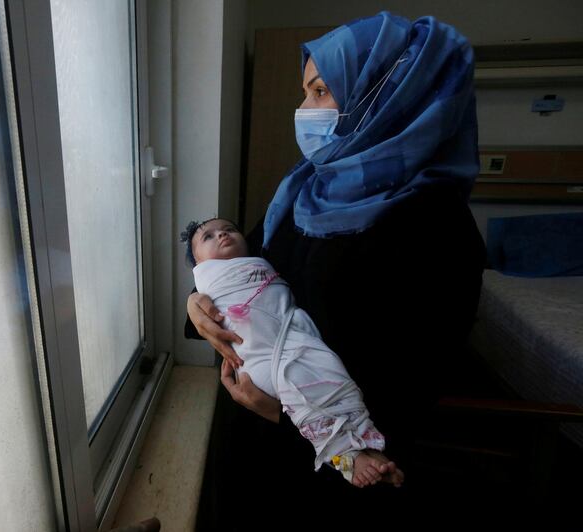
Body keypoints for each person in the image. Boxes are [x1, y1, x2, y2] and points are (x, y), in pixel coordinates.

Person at [187, 11, 486, 526]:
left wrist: (281, 414)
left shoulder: (436, 224)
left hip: (335, 466)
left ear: (386, 96)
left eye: (322, 91)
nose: (304, 110)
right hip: (249, 442)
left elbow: (416, 381)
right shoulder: (304, 188)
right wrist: (197, 305)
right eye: (307, 92)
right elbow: (242, 268)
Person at [182, 217, 404, 488]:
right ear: (199, 265)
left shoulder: (258, 262)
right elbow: (206, 303)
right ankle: (344, 456)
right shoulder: (285, 209)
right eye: (209, 237)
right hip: (262, 359)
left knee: (337, 377)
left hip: (297, 341)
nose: (222, 236)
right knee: (303, 390)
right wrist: (193, 302)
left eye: (229, 230)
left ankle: (368, 439)